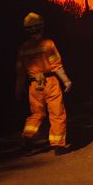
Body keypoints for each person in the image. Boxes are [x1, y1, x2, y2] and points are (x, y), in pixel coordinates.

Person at [15, 12, 73, 155]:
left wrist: (18, 89)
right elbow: (56, 65)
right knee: (57, 113)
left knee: (36, 114)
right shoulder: (48, 44)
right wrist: (66, 81)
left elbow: (20, 72)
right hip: (50, 82)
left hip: (34, 85)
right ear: (42, 27)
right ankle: (58, 145)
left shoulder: (23, 49)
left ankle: (27, 138)